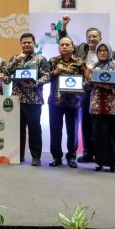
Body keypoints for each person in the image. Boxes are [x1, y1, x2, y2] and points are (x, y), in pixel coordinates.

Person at [2, 33, 50, 165]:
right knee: (18, 129)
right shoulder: (15, 58)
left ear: (34, 43)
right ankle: (19, 155)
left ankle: (36, 157)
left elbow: (47, 76)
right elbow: (5, 72)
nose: (27, 44)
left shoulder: (41, 59)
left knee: (34, 129)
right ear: (20, 44)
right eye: (24, 42)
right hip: (17, 100)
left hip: (34, 100)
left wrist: (36, 83)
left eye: (29, 42)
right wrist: (17, 60)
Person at [75, 27, 115, 164]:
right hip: (86, 92)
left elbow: (114, 73)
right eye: (89, 36)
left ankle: (100, 155)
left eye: (94, 36)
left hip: (103, 94)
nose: (91, 39)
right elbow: (66, 42)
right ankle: (88, 153)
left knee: (100, 126)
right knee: (86, 123)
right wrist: (63, 27)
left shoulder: (109, 53)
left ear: (100, 38)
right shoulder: (82, 50)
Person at [48, 37, 87, 168]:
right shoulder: (53, 60)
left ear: (72, 47)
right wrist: (55, 72)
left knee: (73, 131)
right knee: (55, 130)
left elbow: (87, 81)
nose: (64, 47)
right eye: (62, 45)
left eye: (67, 44)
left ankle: (71, 157)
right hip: (55, 102)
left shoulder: (80, 62)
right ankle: (56, 157)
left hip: (74, 102)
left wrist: (81, 88)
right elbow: (46, 78)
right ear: (59, 47)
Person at [86, 43, 115, 172]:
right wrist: (88, 76)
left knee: (114, 135)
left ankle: (113, 163)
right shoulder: (94, 66)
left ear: (109, 51)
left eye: (104, 50)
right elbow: (87, 86)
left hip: (113, 105)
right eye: (100, 51)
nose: (102, 53)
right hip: (97, 106)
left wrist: (106, 85)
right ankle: (99, 162)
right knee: (98, 135)